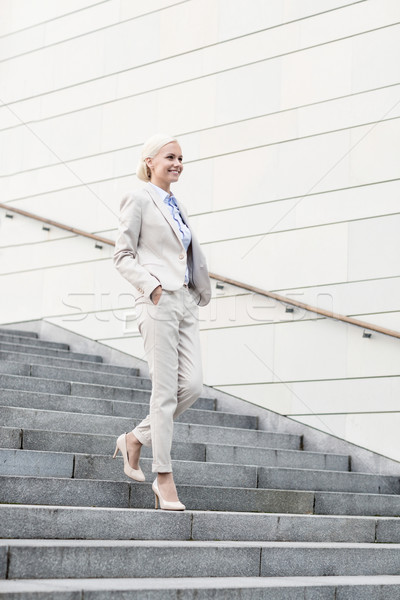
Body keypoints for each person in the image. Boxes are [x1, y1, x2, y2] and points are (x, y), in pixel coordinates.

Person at [113, 133, 211, 511]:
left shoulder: (177, 204)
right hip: (157, 299)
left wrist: (193, 292)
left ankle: (134, 439)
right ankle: (164, 478)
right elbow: (122, 255)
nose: (178, 163)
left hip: (185, 300)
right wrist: (151, 287)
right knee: (165, 391)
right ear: (150, 161)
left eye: (181, 158)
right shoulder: (137, 198)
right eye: (170, 156)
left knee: (194, 385)